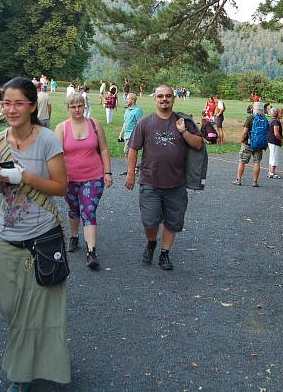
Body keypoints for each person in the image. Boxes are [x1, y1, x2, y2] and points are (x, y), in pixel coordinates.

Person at [0, 77, 70, 391]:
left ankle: (21, 376)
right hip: (7, 234)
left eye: (19, 102)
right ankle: (27, 362)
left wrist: (27, 176)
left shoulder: (48, 140)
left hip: (42, 235)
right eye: (5, 102)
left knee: (39, 310)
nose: (11, 109)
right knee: (12, 307)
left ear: (33, 105)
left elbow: (61, 187)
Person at [125, 84, 203, 271]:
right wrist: (130, 174)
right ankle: (152, 242)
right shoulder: (145, 122)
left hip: (176, 184)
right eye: (160, 96)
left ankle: (164, 254)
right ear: (155, 99)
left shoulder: (183, 121)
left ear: (174, 99)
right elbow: (133, 149)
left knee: (172, 222)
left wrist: (184, 132)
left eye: (168, 96)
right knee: (150, 221)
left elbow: (199, 144)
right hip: (150, 182)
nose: (164, 99)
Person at [55, 93, 112, 270]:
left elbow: (103, 149)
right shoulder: (62, 128)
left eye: (80, 106)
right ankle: (73, 236)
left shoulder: (94, 125)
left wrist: (107, 172)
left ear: (84, 105)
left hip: (93, 176)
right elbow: (57, 156)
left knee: (88, 210)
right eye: (74, 107)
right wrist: (58, 177)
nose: (77, 109)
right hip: (70, 178)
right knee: (74, 209)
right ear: (68, 108)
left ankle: (91, 251)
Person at [233, 101, 268, 187]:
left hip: (248, 143)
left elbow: (245, 131)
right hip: (259, 144)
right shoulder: (265, 119)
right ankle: (255, 181)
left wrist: (242, 139)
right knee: (257, 162)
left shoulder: (250, 118)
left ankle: (238, 180)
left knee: (242, 161)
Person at [118, 92, 144, 176]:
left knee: (127, 151)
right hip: (126, 134)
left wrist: (139, 135)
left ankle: (132, 169)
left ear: (132, 100)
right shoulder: (127, 110)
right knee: (127, 152)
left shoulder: (137, 111)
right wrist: (120, 134)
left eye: (128, 98)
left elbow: (140, 124)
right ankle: (133, 168)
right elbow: (125, 123)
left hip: (132, 135)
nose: (126, 100)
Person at [267, 107, 283, 179]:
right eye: (281, 113)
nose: (282, 114)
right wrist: (281, 140)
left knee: (272, 156)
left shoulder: (272, 120)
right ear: (277, 113)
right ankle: (272, 172)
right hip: (274, 141)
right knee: (274, 156)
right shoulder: (276, 122)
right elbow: (276, 133)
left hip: (270, 141)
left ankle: (270, 171)